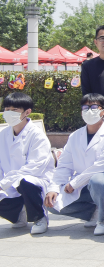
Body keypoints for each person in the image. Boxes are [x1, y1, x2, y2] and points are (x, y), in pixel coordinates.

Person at [45, 93, 104, 236]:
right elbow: (64, 165)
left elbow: (102, 165)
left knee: (97, 180)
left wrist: (75, 183)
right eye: (85, 108)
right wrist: (54, 187)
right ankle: (94, 213)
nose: (89, 111)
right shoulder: (75, 136)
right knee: (52, 203)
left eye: (94, 107)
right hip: (81, 186)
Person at [0, 93, 53, 234]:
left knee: (25, 181)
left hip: (34, 181)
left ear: (27, 112)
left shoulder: (37, 135)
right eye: (7, 109)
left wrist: (5, 182)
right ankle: (18, 215)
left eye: (14, 110)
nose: (9, 113)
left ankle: (39, 218)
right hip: (10, 183)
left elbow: (34, 167)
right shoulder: (2, 134)